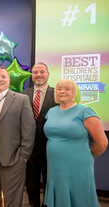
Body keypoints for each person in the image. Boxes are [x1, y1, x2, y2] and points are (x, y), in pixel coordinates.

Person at [43, 79, 108, 207]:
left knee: (79, 197)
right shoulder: (51, 111)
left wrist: (88, 155)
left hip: (78, 165)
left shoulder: (85, 112)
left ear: (75, 92)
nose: (62, 92)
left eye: (67, 89)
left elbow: (102, 143)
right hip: (55, 165)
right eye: (59, 89)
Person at [0, 66, 35, 207]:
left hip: (13, 158)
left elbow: (29, 129)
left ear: (9, 80)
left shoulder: (21, 99)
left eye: (3, 77)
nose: (0, 79)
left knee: (12, 198)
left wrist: (24, 155)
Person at [22, 62, 57, 207]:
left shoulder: (57, 94)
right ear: (32, 75)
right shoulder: (23, 95)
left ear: (48, 74)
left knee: (51, 185)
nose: (38, 75)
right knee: (31, 186)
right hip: (29, 151)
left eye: (42, 72)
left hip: (51, 149)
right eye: (35, 72)